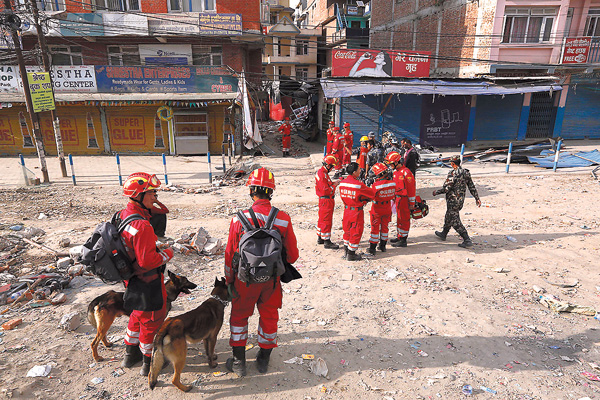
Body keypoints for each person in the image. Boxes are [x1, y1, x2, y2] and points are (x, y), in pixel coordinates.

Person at [224, 168, 299, 375]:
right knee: (269, 316)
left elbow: (230, 255)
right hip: (271, 280)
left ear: (251, 191)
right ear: (271, 192)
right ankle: (263, 359)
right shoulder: (283, 218)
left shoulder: (238, 220)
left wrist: (230, 280)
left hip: (244, 280)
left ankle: (239, 363)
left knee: (239, 317)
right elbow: (292, 256)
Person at [119, 172, 175, 376]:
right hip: (148, 279)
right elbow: (148, 261)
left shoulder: (124, 215)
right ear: (138, 195)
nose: (155, 198)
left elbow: (134, 245)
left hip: (131, 278)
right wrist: (167, 254)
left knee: (136, 315)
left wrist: (153, 245)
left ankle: (129, 355)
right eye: (151, 193)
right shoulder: (142, 226)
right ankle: (149, 363)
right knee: (152, 318)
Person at [432, 155, 481, 248]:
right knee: (449, 216)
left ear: (453, 164)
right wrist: (477, 198)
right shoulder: (466, 172)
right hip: (460, 200)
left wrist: (436, 192)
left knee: (455, 221)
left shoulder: (453, 173)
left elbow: (447, 188)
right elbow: (471, 186)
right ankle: (444, 233)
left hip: (452, 201)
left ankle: (466, 239)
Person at [338, 162, 376, 261]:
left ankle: (346, 250)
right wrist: (364, 200)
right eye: (359, 169)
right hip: (356, 212)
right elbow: (371, 193)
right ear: (354, 172)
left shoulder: (342, 183)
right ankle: (351, 254)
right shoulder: (358, 185)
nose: (360, 171)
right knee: (356, 231)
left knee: (347, 230)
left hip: (346, 210)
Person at [385, 151, 416, 248]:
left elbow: (411, 189)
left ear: (397, 162)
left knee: (404, 218)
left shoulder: (406, 173)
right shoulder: (396, 172)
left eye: (391, 164)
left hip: (404, 199)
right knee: (399, 218)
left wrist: (412, 202)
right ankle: (399, 236)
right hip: (397, 199)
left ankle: (403, 239)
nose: (390, 166)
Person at [367, 163, 396, 255]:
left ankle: (372, 248)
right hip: (387, 207)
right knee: (385, 227)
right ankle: (383, 246)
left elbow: (370, 196)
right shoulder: (392, 183)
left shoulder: (376, 185)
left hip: (377, 208)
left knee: (375, 228)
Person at [315, 155, 340, 250]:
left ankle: (320, 237)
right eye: (332, 166)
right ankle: (327, 241)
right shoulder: (322, 174)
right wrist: (335, 186)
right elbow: (326, 190)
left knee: (322, 218)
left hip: (324, 200)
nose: (332, 168)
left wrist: (334, 183)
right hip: (326, 200)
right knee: (326, 220)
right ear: (328, 165)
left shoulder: (323, 173)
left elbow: (326, 185)